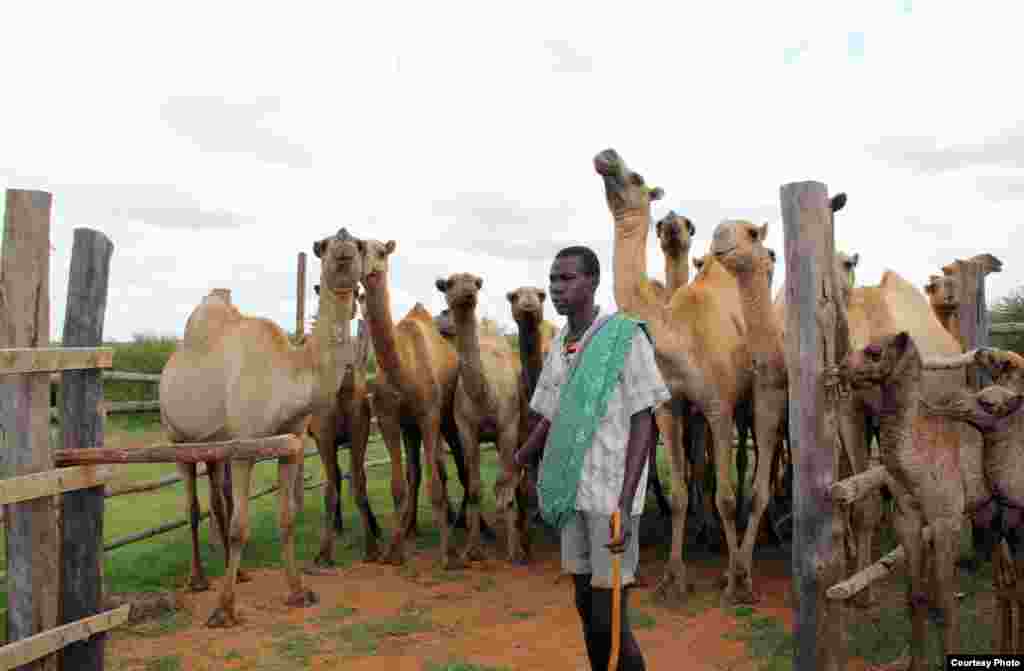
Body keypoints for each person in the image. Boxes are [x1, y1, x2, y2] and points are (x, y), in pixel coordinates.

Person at [514, 245, 670, 671]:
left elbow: (644, 418)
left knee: (610, 617)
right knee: (586, 607)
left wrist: (625, 499)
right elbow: (553, 411)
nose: (558, 288)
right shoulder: (561, 344)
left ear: (592, 282)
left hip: (610, 497)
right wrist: (522, 456)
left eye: (567, 279)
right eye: (554, 279)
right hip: (573, 493)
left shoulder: (624, 337)